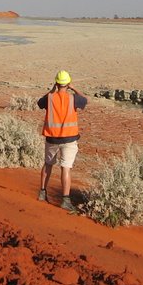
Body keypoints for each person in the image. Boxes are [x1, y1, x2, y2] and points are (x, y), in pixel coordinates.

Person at [37, 70, 88, 211]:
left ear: (57, 83)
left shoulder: (50, 98)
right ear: (67, 83)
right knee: (66, 168)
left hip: (52, 138)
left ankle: (42, 193)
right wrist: (74, 88)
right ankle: (65, 200)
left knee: (48, 164)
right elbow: (85, 100)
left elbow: (39, 103)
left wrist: (52, 90)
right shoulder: (73, 98)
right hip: (69, 139)